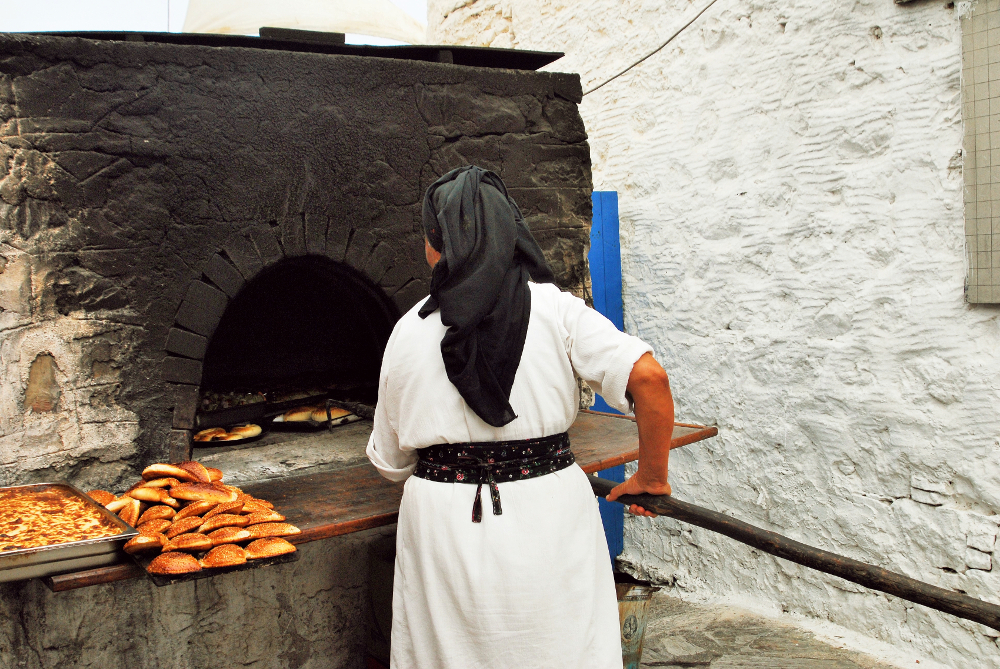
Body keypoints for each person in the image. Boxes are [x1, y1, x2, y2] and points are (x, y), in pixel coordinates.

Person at [366, 165, 674, 669]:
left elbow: (391, 462)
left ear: (438, 242)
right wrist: (652, 477)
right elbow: (650, 380)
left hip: (443, 522)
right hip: (549, 510)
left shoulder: (407, 330)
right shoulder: (557, 311)